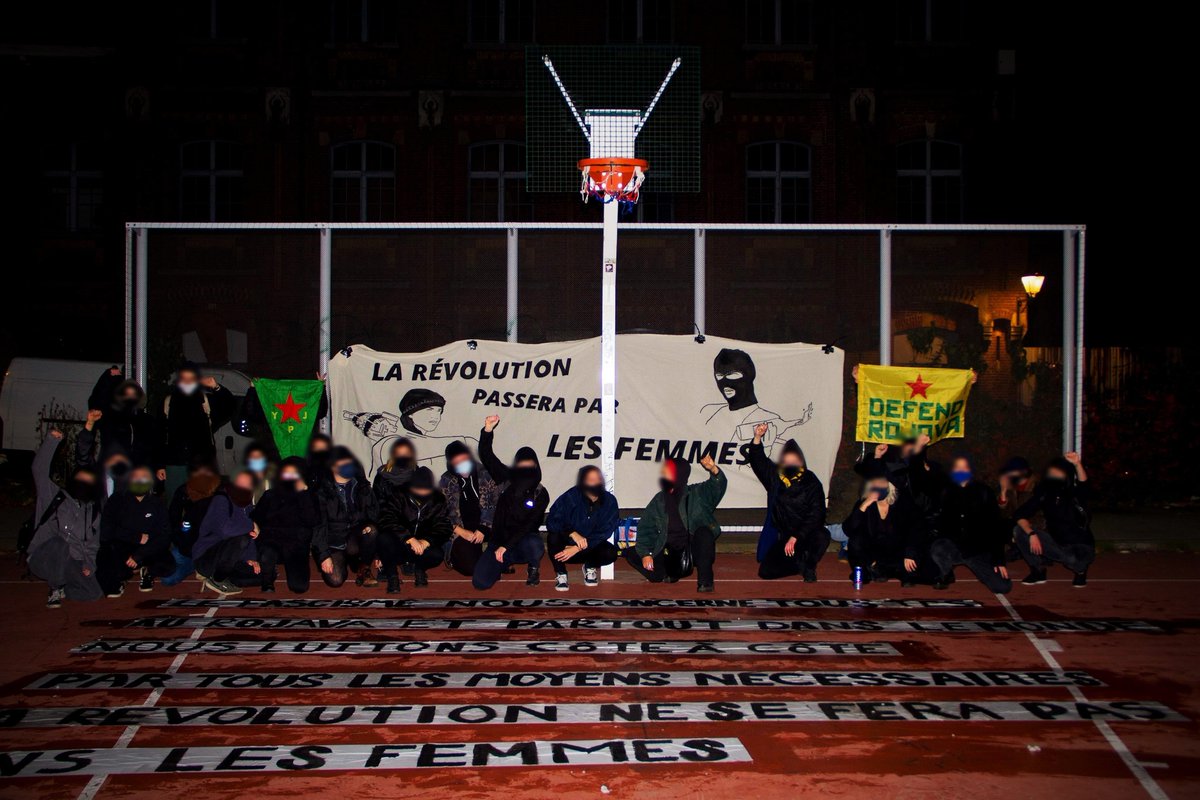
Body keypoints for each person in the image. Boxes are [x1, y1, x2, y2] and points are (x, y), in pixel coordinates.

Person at [626, 454, 726, 592]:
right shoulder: (660, 499)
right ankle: (671, 572)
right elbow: (646, 527)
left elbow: (717, 487)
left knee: (705, 533)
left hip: (692, 551)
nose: (663, 473)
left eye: (667, 470)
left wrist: (713, 469)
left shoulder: (696, 493)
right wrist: (646, 554)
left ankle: (705, 582)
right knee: (631, 554)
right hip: (669, 550)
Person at [26, 430, 103, 607]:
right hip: (43, 558)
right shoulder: (54, 497)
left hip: (71, 562)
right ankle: (55, 588)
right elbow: (38, 470)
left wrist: (88, 565)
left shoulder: (92, 511)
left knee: (94, 592)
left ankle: (64, 588)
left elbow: (93, 544)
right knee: (60, 544)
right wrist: (52, 441)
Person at [472, 416, 548, 589]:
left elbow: (529, 525)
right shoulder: (506, 478)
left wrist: (507, 546)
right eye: (522, 465)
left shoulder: (541, 494)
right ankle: (503, 564)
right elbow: (487, 456)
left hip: (522, 540)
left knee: (535, 545)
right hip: (498, 541)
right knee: (480, 583)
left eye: (530, 466)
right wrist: (487, 430)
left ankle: (533, 566)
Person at [749, 424, 828, 582]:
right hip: (784, 536)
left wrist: (796, 536)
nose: (791, 463)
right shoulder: (775, 478)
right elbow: (759, 462)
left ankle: (810, 566)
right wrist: (757, 437)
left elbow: (817, 514)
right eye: (787, 460)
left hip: (806, 533)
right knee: (766, 571)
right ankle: (799, 564)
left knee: (823, 535)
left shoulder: (811, 481)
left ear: (801, 462)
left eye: (795, 460)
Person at [928, 456, 1011, 593]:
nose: (960, 471)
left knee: (1002, 587)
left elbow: (995, 527)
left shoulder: (984, 492)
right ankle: (946, 573)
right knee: (938, 548)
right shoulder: (945, 491)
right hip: (954, 546)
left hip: (977, 550)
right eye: (957, 467)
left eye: (964, 467)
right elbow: (936, 520)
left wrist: (999, 559)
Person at [1014, 452, 1095, 587]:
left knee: (1075, 560)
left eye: (1058, 473)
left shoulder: (1074, 494)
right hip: (1058, 544)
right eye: (1051, 474)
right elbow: (1020, 514)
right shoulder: (1045, 493)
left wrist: (1077, 464)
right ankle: (1038, 571)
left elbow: (1084, 485)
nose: (1054, 477)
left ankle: (1081, 571)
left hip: (1080, 546)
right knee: (1019, 530)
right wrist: (1031, 533)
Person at [158, 363, 236, 498]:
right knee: (174, 504)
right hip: (175, 464)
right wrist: (159, 465)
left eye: (191, 378)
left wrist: (216, 388)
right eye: (184, 378)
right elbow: (159, 434)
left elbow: (230, 406)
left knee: (202, 505)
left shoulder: (205, 401)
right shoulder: (168, 402)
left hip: (202, 465)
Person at [95, 465, 174, 596]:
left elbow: (165, 534)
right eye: (135, 477)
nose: (139, 480)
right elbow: (107, 530)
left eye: (143, 477)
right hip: (123, 545)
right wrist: (136, 537)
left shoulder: (157, 503)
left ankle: (147, 572)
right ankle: (125, 575)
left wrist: (140, 555)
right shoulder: (116, 500)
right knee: (109, 573)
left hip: (147, 547)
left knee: (168, 566)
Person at [842, 463, 924, 586]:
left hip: (897, 549)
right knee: (855, 541)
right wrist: (863, 506)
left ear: (889, 485)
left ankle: (886, 570)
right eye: (874, 483)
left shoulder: (902, 502)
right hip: (874, 551)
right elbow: (848, 529)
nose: (877, 486)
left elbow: (915, 527)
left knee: (914, 574)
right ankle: (867, 571)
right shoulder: (864, 503)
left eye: (881, 482)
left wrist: (910, 553)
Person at [312, 446, 379, 588]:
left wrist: (379, 553)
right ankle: (347, 561)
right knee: (335, 580)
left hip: (355, 537)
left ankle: (363, 567)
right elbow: (318, 526)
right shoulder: (321, 492)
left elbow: (375, 515)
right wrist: (324, 556)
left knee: (372, 530)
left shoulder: (363, 486)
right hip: (333, 541)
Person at [377, 466, 452, 592]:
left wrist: (426, 541)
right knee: (383, 539)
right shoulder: (398, 495)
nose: (422, 493)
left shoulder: (438, 500)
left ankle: (420, 569)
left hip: (422, 548)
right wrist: (408, 538)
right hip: (400, 544)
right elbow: (386, 519)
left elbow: (444, 526)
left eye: (426, 490)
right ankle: (392, 577)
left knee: (437, 554)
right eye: (418, 489)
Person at [546, 466, 621, 591]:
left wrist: (577, 548)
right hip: (566, 547)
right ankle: (561, 573)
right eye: (591, 479)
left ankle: (590, 566)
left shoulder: (610, 501)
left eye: (598, 479)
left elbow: (606, 531)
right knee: (553, 537)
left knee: (611, 553)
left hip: (588, 547)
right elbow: (552, 520)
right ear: (583, 482)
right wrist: (571, 532)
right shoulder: (571, 496)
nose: (596, 482)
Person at [252, 457, 318, 594]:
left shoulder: (308, 495)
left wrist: (304, 494)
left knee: (299, 587)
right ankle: (267, 578)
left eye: (294, 474)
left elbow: (313, 521)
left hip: (296, 545)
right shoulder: (270, 495)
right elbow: (255, 516)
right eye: (286, 474)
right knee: (267, 554)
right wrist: (255, 525)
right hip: (272, 542)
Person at [193, 470, 261, 595]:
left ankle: (222, 576)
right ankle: (216, 578)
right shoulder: (221, 500)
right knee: (242, 538)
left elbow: (250, 534)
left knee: (262, 575)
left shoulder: (246, 503)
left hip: (229, 553)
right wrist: (251, 525)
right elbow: (226, 530)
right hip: (207, 554)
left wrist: (250, 558)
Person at [81, 366, 161, 471]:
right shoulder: (111, 417)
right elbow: (96, 403)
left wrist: (159, 466)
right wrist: (108, 378)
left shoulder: (147, 421)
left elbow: (156, 446)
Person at [440, 440, 500, 578]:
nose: (462, 465)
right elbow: (441, 512)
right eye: (457, 462)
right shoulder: (446, 480)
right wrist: (459, 530)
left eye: (464, 460)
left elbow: (495, 504)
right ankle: (454, 556)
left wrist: (484, 528)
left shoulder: (485, 474)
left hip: (487, 527)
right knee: (470, 569)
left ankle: (488, 556)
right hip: (461, 530)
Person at [162, 457, 221, 586]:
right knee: (166, 575)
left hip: (211, 547)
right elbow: (173, 518)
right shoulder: (184, 491)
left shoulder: (220, 493)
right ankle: (194, 566)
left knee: (169, 578)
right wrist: (179, 539)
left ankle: (200, 566)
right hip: (188, 544)